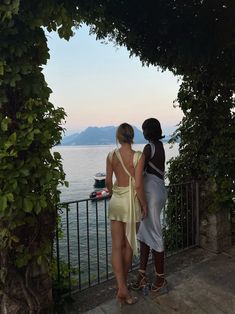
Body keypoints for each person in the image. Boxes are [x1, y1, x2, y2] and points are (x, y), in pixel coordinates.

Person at [105, 123, 148, 305]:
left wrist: (114, 193)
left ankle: (120, 287)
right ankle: (123, 288)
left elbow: (108, 181)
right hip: (131, 203)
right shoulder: (138, 156)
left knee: (116, 246)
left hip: (116, 201)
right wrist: (144, 205)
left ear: (118, 137)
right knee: (129, 245)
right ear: (132, 136)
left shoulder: (111, 155)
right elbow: (138, 186)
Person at [132, 118, 168, 293]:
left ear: (149, 131)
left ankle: (160, 278)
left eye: (144, 129)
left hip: (151, 196)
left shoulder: (148, 148)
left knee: (154, 233)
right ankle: (142, 275)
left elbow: (139, 171)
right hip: (159, 191)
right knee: (143, 234)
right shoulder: (160, 146)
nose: (143, 132)